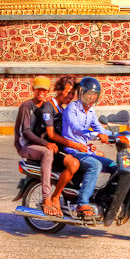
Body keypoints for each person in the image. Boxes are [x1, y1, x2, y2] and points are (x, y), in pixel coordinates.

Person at [61, 77, 115, 219]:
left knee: (114, 165)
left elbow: (100, 129)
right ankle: (82, 202)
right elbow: (77, 129)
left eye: (94, 95)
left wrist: (119, 135)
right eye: (88, 94)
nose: (91, 98)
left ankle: (106, 199)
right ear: (81, 93)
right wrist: (96, 135)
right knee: (95, 165)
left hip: (86, 150)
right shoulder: (72, 108)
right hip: (73, 150)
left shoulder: (91, 112)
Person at [32, 76, 81, 217]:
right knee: (73, 164)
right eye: (68, 93)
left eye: (73, 94)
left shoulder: (63, 109)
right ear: (59, 91)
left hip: (62, 148)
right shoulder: (49, 107)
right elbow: (51, 134)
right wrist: (75, 145)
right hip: (51, 148)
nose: (71, 97)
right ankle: (55, 197)